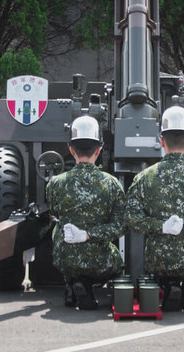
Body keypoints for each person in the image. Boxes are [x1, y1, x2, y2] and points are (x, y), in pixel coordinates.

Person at [124, 106, 184, 311]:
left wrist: (160, 226)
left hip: (160, 258)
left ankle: (168, 284)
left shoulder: (145, 177)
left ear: (161, 141)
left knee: (158, 247)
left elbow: (131, 218)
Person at [45, 115, 126, 310]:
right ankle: (88, 285)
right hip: (101, 262)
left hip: (65, 258)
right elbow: (120, 226)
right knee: (117, 264)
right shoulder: (112, 184)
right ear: (99, 150)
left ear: (71, 149)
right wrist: (89, 235)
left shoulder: (56, 183)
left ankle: (73, 284)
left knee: (58, 225)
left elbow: (55, 212)